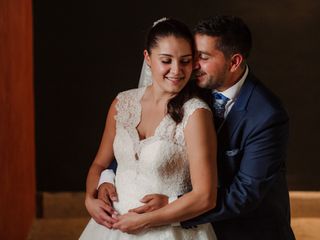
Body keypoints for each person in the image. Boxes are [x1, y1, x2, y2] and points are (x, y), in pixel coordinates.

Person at [98, 15, 296, 239]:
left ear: (234, 62)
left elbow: (245, 194)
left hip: (245, 230)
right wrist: (107, 176)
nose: (191, 65)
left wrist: (172, 205)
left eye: (201, 57)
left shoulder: (267, 115)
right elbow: (136, 138)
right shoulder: (185, 83)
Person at [79, 18, 218, 239]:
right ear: (148, 58)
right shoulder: (122, 103)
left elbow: (205, 196)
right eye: (166, 60)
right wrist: (90, 199)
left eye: (185, 61)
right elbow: (99, 164)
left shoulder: (195, 114)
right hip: (113, 228)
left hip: (168, 231)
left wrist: (144, 221)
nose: (176, 70)